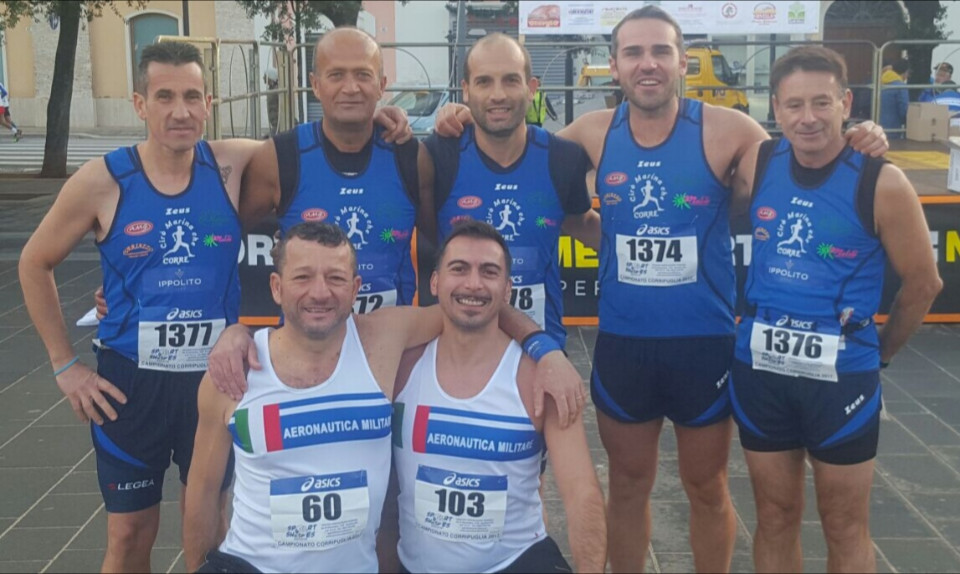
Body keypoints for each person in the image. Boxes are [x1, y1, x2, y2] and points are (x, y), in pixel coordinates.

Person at [434, 6, 890, 573]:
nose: (647, 64)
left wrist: (858, 136)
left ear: (682, 61)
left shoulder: (730, 130)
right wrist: (457, 118)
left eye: (660, 52)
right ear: (614, 65)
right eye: (633, 53)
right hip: (625, 345)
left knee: (706, 487)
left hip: (703, 346)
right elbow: (517, 151)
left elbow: (805, 159)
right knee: (627, 487)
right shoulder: (591, 133)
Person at [183, 221, 589, 572]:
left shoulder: (382, 339)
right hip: (254, 565)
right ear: (276, 286)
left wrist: (544, 348)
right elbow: (201, 492)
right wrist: (235, 332)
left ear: (356, 288)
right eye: (302, 277)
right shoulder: (233, 372)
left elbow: (476, 304)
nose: (320, 292)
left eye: (336, 278)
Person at [18, 41, 264, 572]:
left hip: (214, 381)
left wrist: (391, 123)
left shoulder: (232, 162)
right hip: (131, 386)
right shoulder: (104, 180)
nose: (181, 111)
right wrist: (65, 365)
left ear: (209, 103)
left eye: (192, 96)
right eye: (165, 96)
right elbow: (34, 263)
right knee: (129, 535)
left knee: (210, 532)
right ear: (139, 104)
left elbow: (322, 147)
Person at [728, 46, 942, 572]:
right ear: (775, 109)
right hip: (762, 371)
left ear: (846, 103)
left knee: (844, 524)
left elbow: (923, 283)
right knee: (774, 516)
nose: (808, 118)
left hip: (841, 379)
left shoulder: (881, 181)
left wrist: (879, 356)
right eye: (794, 105)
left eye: (821, 103)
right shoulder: (758, 161)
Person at [391, 220, 605, 573]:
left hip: (516, 562)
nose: (473, 284)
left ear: (507, 291)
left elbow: (582, 493)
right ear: (435, 282)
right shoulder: (401, 367)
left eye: (489, 272)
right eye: (459, 269)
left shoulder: (538, 378)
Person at [423, 33, 600, 347]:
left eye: (510, 80)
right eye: (484, 82)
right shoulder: (439, 154)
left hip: (539, 347)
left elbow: (581, 222)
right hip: (458, 349)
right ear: (466, 90)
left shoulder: (563, 158)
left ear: (531, 88)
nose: (498, 94)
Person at [241, 27, 426, 316]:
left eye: (363, 75)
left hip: (391, 341)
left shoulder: (411, 157)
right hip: (306, 340)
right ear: (315, 85)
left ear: (381, 85)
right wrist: (232, 327)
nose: (350, 88)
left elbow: (449, 241)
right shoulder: (279, 157)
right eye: (336, 75)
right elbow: (219, 241)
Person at [879, 59, 910, 138]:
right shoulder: (901, 87)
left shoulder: (881, 82)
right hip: (893, 128)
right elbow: (904, 110)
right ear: (905, 72)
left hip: (878, 126)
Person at [263, 67, 279, 135]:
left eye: (265, 76)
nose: (263, 78)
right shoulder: (271, 89)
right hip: (274, 122)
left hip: (278, 122)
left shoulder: (277, 90)